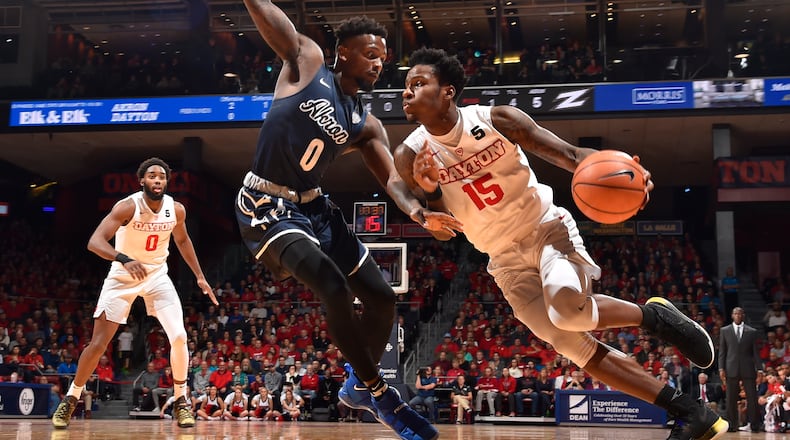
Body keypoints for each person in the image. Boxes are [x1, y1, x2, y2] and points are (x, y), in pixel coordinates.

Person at [393, 47, 729, 440]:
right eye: (405, 86)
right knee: (573, 346)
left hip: (546, 231)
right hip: (502, 259)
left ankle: (654, 318)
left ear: (448, 91)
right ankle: (692, 414)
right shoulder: (410, 154)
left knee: (567, 311)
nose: (406, 92)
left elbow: (573, 156)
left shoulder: (497, 119)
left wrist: (626, 172)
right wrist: (430, 198)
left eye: (418, 83)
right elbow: (441, 229)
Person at [234, 2, 461, 439]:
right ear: (343, 52)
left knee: (383, 298)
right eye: (370, 54)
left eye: (382, 58)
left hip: (314, 207)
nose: (378, 63)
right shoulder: (308, 63)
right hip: (265, 202)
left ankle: (358, 385)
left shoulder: (366, 124)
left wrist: (419, 211)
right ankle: (380, 393)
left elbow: (393, 180)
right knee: (333, 286)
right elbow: (271, 19)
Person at [51, 157, 218, 430]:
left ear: (167, 182)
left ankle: (181, 401)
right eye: (152, 175)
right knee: (98, 345)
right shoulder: (127, 206)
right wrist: (123, 258)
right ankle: (71, 398)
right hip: (122, 275)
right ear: (142, 181)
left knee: (179, 336)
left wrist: (200, 276)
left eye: (161, 176)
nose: (157, 180)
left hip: (156, 276)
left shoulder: (176, 210)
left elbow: (183, 240)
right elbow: (95, 242)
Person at [720, 307, 762, 432]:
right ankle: (732, 425)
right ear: (732, 315)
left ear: (743, 315)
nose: (738, 315)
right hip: (731, 368)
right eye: (735, 313)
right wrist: (721, 368)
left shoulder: (752, 331)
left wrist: (760, 369)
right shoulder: (725, 330)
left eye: (740, 314)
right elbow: (722, 351)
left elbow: (756, 352)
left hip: (748, 368)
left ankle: (754, 425)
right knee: (731, 399)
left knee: (752, 398)